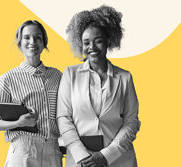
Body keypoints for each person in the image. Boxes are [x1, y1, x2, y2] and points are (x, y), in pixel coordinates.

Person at [57, 5, 141, 167]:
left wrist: (106, 155)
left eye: (98, 41)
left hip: (119, 160)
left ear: (109, 40)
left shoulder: (125, 77)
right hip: (81, 161)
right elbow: (63, 118)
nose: (92, 47)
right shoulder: (70, 74)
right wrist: (82, 155)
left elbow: (131, 122)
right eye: (86, 42)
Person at [0, 20, 63, 167]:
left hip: (53, 150)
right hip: (23, 150)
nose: (32, 42)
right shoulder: (8, 79)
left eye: (38, 37)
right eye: (27, 37)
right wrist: (20, 123)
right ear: (19, 43)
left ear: (44, 43)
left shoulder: (57, 76)